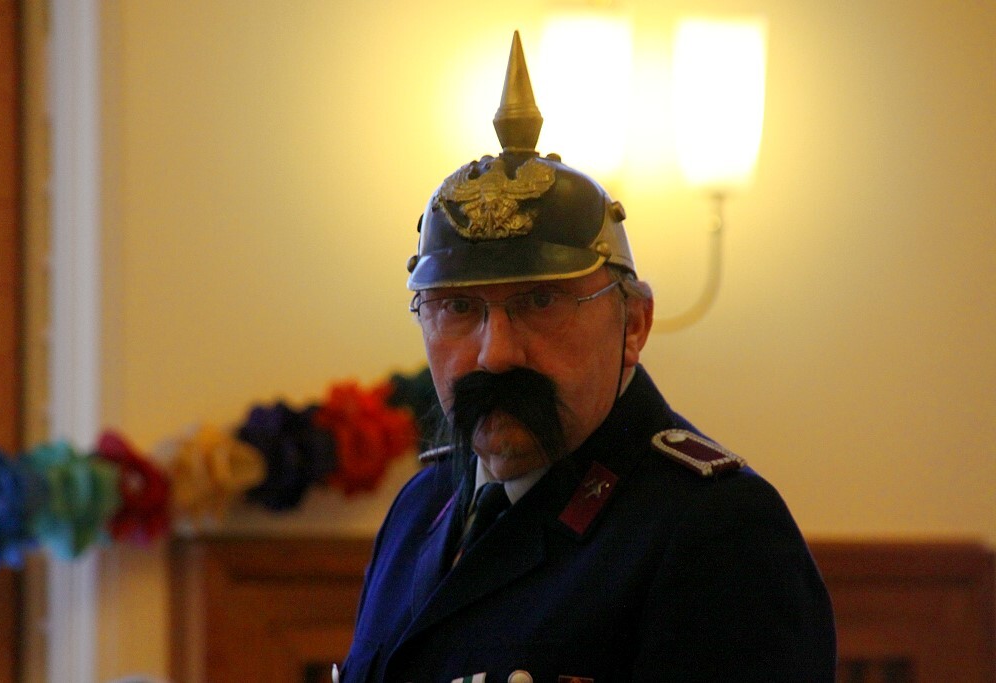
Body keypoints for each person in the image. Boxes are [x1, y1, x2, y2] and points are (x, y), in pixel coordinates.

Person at [340, 32, 836, 683]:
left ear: (634, 324)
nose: (494, 353)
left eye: (540, 301)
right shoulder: (420, 507)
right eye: (458, 307)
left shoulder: (718, 532)